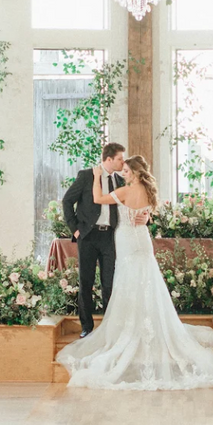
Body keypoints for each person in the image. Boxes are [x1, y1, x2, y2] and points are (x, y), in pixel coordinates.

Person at [56, 154, 213, 391]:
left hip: (126, 241)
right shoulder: (149, 192)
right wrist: (147, 215)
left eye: (128, 171)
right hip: (142, 240)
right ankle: (146, 325)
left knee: (128, 282)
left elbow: (98, 198)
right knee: (147, 281)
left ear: (137, 173)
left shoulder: (125, 192)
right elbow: (146, 212)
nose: (124, 174)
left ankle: (131, 331)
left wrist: (97, 177)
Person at [61, 143, 126, 336]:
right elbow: (67, 201)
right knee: (86, 282)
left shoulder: (119, 180)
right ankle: (86, 327)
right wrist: (75, 230)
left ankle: (109, 327)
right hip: (88, 236)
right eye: (120, 158)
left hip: (109, 237)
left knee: (109, 283)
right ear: (109, 159)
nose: (123, 162)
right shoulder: (86, 175)